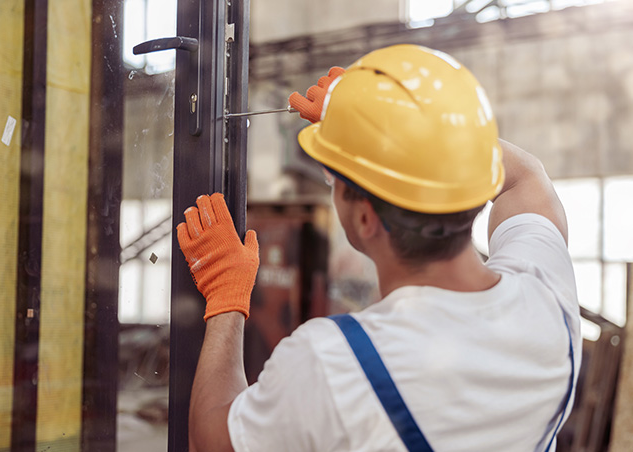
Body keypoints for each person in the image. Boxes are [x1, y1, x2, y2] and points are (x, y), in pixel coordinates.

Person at [176, 44, 581, 452]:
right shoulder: (547, 299)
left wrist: (227, 299)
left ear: (365, 218)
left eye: (334, 178)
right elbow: (526, 178)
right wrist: (394, 130)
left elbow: (211, 441)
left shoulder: (336, 364)